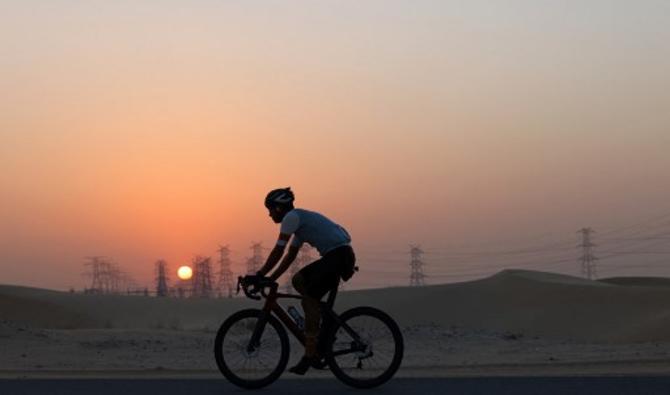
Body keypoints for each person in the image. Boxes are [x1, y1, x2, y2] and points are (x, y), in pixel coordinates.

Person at [255, 187, 356, 375]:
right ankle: (321, 326)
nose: (269, 214)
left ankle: (310, 353)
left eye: (270, 209)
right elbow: (289, 256)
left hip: (338, 256)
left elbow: (278, 250)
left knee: (309, 299)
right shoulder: (298, 223)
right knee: (299, 280)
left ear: (279, 208)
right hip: (338, 255)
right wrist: (270, 278)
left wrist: (260, 274)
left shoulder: (291, 218)